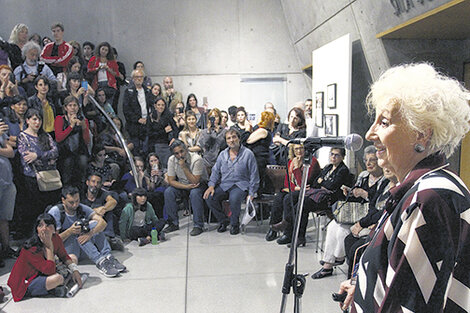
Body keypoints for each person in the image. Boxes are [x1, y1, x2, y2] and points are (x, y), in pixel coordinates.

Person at [337, 63, 470, 313]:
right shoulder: (422, 188)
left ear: (421, 134)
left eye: (384, 123)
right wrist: (367, 286)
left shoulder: (430, 198)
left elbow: (413, 304)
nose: (370, 133)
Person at [311, 146, 384, 279]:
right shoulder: (363, 176)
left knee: (342, 231)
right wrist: (350, 192)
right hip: (355, 212)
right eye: (366, 160)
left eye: (372, 160)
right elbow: (354, 194)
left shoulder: (384, 180)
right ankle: (328, 264)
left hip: (368, 215)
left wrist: (365, 194)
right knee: (333, 226)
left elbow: (378, 203)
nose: (368, 163)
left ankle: (337, 258)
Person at [276, 147, 351, 246]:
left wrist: (323, 182)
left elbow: (332, 186)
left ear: (342, 157)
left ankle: (296, 233)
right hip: (318, 194)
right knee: (289, 197)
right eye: (332, 154)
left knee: (303, 204)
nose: (333, 157)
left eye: (336, 155)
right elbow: (316, 182)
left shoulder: (343, 170)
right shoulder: (328, 167)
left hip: (329, 199)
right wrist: (323, 183)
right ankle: (289, 233)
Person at [48, 186, 125, 278]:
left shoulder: (82, 208)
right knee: (79, 231)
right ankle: (100, 261)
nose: (75, 205)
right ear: (63, 200)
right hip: (68, 250)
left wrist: (90, 233)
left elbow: (102, 223)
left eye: (77, 201)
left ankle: (108, 256)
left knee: (94, 224)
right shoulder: (55, 212)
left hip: (82, 246)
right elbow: (51, 241)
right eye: (71, 202)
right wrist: (69, 231)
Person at [8, 213, 82, 302]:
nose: (44, 229)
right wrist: (49, 247)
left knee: (73, 258)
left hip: (43, 272)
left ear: (54, 229)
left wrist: (75, 270)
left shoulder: (55, 238)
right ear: (37, 230)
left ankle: (55, 287)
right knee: (57, 278)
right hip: (27, 281)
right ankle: (54, 287)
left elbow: (64, 256)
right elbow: (50, 271)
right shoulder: (31, 248)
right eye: (40, 226)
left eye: (48, 225)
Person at [203, 129, 259, 235]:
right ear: (226, 141)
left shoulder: (248, 154)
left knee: (234, 198)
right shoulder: (222, 155)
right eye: (229, 138)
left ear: (239, 139)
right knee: (209, 197)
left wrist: (252, 193)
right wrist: (211, 186)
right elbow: (215, 172)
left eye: (234, 137)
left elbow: (254, 175)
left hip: (241, 185)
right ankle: (223, 221)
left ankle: (234, 224)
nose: (232, 140)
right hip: (225, 184)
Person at [344, 167, 397, 278]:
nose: (386, 167)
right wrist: (366, 222)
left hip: (386, 229)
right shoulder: (385, 184)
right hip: (372, 222)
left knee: (357, 249)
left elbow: (386, 211)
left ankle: (356, 284)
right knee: (349, 239)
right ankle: (352, 280)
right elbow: (373, 205)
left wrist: (364, 223)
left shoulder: (401, 188)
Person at [17, 109, 61, 235]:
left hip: (49, 175)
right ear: (27, 120)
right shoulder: (23, 137)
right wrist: (45, 157)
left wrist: (38, 155)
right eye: (34, 119)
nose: (37, 122)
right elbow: (27, 157)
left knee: (49, 206)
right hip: (32, 176)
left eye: (39, 119)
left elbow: (55, 152)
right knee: (35, 208)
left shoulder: (45, 136)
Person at [265, 144, 320, 242]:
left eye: (301, 148)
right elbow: (287, 182)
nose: (299, 151)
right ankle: (273, 228)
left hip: (307, 191)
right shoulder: (291, 161)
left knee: (288, 198)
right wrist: (295, 187)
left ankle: (288, 232)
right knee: (279, 198)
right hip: (295, 189)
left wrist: (297, 169)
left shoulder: (312, 162)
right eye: (296, 149)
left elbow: (306, 181)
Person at [162, 140, 207, 236]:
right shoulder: (171, 160)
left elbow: (195, 181)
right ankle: (173, 223)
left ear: (186, 149)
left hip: (199, 184)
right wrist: (185, 187)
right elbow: (171, 181)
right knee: (169, 192)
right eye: (176, 153)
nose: (180, 155)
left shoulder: (196, 159)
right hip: (184, 184)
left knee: (194, 193)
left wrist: (184, 167)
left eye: (182, 151)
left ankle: (198, 225)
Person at [54, 95, 91, 188]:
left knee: (83, 161)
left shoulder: (84, 120)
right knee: (68, 162)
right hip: (65, 151)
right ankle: (66, 189)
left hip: (79, 150)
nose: (73, 108)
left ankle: (81, 187)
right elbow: (59, 138)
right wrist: (71, 126)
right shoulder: (59, 119)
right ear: (65, 107)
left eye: (75, 105)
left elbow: (87, 141)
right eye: (70, 105)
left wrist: (84, 128)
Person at [81, 173, 123, 251]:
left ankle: (109, 237)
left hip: (100, 225)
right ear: (87, 182)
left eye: (98, 183)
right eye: (93, 181)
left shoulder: (102, 193)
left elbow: (113, 201)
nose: (95, 184)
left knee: (109, 212)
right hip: (86, 224)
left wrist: (103, 209)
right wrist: (93, 211)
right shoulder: (81, 194)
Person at [123, 69, 152, 155]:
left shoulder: (148, 91)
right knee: (135, 150)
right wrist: (137, 119)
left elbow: (151, 106)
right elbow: (126, 110)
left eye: (141, 77)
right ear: (133, 79)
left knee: (147, 149)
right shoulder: (128, 92)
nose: (139, 79)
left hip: (147, 124)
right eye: (137, 77)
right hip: (134, 125)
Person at [246, 111, 275, 193]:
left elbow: (247, 140)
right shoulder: (265, 131)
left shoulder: (262, 131)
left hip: (258, 160)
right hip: (259, 159)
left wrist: (247, 129)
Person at [0, 125, 16, 266]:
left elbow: (10, 152)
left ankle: (6, 248)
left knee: (4, 218)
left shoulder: (1, 133)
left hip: (7, 181)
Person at [146, 96, 175, 169]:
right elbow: (149, 134)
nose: (161, 107)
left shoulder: (168, 116)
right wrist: (163, 131)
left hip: (167, 144)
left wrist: (174, 138)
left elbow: (175, 128)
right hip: (155, 145)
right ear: (155, 106)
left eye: (162, 105)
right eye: (159, 105)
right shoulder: (150, 117)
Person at [197, 108, 227, 176]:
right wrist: (208, 131)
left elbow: (222, 145)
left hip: (219, 161)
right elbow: (203, 145)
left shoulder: (224, 131)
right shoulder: (204, 132)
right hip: (207, 162)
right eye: (211, 117)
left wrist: (218, 131)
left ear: (219, 118)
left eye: (216, 116)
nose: (214, 119)